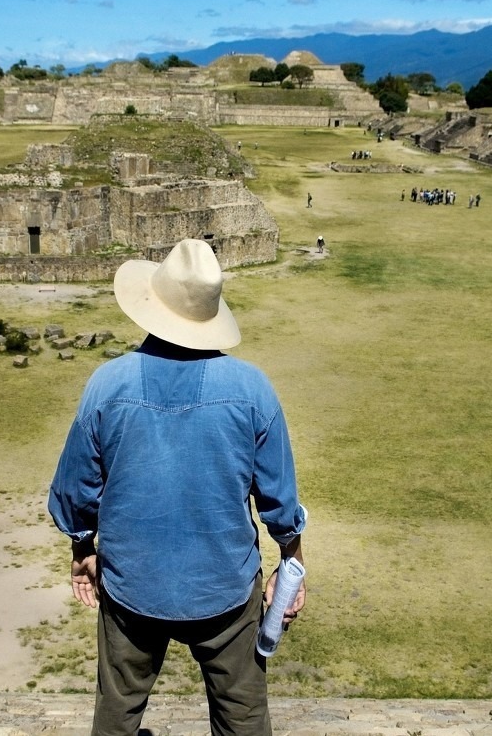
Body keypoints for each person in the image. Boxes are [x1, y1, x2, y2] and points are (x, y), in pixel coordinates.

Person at [49, 239, 308, 736]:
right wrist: (291, 566)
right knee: (244, 717)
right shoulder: (253, 389)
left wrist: (83, 547)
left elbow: (76, 489)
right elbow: (280, 499)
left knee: (117, 714)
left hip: (132, 585)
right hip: (226, 589)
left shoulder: (107, 384)